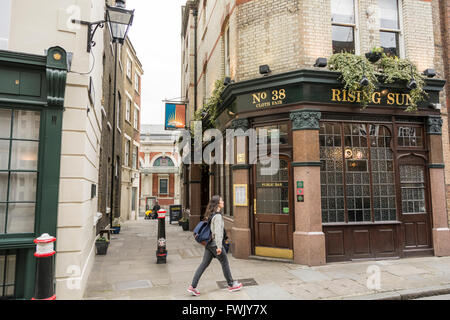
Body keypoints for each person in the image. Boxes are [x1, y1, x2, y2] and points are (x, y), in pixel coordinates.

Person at [187, 195, 243, 296]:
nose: (223, 202)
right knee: (224, 262)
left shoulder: (212, 214)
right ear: (217, 204)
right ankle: (231, 284)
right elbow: (217, 233)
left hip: (209, 244)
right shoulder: (217, 216)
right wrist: (219, 247)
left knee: (203, 265)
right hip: (214, 244)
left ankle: (192, 286)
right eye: (221, 200)